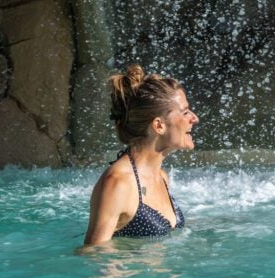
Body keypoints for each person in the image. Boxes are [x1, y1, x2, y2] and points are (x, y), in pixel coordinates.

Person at [83, 65, 199, 245]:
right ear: (159, 125)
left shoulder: (161, 177)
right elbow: (93, 254)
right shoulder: (118, 183)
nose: (194, 118)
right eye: (185, 112)